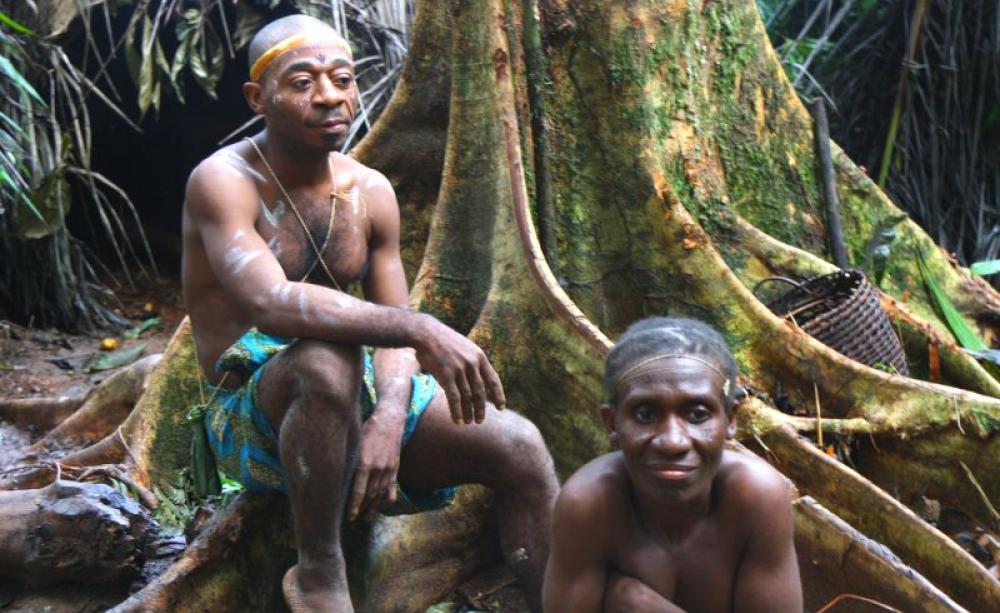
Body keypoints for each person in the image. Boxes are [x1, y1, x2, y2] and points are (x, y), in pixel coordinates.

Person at [181, 14, 557, 612]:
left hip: (357, 395)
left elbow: (392, 329)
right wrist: (421, 326)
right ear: (259, 98)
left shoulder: (371, 191)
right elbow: (272, 305)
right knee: (326, 359)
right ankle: (319, 572)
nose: (329, 96)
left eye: (342, 78)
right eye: (302, 82)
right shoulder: (225, 181)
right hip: (251, 413)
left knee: (520, 446)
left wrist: (388, 413)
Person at [543, 317, 802, 612]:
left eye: (698, 415)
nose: (673, 442)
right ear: (611, 423)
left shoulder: (756, 497)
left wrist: (643, 605)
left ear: (730, 420)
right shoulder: (589, 504)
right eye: (644, 415)